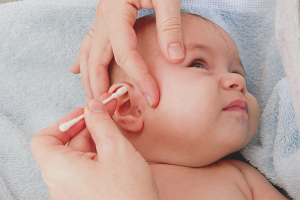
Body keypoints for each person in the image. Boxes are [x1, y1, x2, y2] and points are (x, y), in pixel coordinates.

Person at [31, 13, 287, 199]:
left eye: (237, 72)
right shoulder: (93, 182)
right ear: (129, 106)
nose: (237, 81)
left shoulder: (244, 178)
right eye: (198, 64)